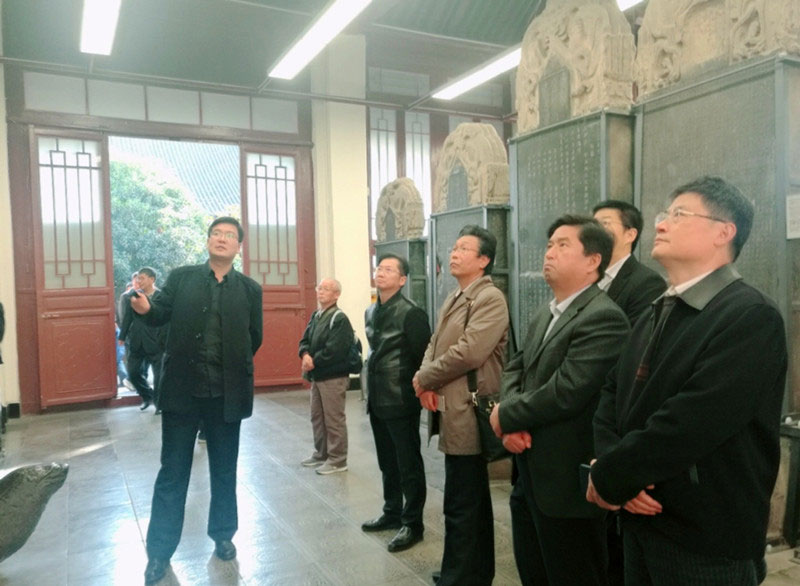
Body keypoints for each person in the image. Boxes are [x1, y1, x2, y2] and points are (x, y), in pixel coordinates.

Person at [586, 177, 788, 586]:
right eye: (665, 214)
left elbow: (693, 421)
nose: (661, 224)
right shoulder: (659, 310)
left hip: (703, 538)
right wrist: (614, 470)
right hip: (640, 520)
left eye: (678, 215)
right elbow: (612, 393)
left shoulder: (749, 316)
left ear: (723, 232)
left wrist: (613, 476)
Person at [489, 215, 629, 586]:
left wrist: (506, 414)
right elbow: (515, 368)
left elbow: (566, 391)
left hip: (566, 484)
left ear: (593, 261)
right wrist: (509, 422)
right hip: (529, 474)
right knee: (534, 572)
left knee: (573, 575)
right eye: (549, 244)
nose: (549, 252)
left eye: (563, 245)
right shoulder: (545, 313)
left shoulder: (603, 317)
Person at [131, 217, 263, 584]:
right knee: (172, 472)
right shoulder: (182, 278)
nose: (222, 239)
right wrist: (145, 310)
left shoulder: (250, 289)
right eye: (216, 233)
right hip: (182, 392)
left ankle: (223, 534)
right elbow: (159, 313)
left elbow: (254, 337)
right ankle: (159, 553)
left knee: (224, 469)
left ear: (238, 247)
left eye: (229, 235)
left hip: (226, 394)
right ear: (207, 241)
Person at [413, 225, 509, 586]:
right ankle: (467, 570)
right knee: (464, 497)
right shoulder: (456, 296)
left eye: (464, 249)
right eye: (454, 248)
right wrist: (424, 377)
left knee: (463, 501)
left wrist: (426, 377)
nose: (454, 253)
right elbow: (435, 343)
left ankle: (462, 576)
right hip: (452, 406)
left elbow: (469, 352)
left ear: (484, 260)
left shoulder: (489, 298)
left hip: (470, 408)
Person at [592, 200, 666, 585]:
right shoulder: (590, 278)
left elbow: (624, 362)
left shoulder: (645, 284)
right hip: (595, 423)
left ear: (631, 234)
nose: (596, 229)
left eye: (605, 223)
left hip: (618, 421)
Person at [362, 253, 431, 552]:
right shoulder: (370, 311)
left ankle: (412, 523)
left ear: (402, 280)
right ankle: (391, 512)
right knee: (387, 462)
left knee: (408, 464)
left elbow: (423, 357)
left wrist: (419, 389)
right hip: (377, 398)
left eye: (389, 269)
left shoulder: (411, 313)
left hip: (401, 398)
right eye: (379, 267)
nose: (381, 272)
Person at [298, 278, 353, 475]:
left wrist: (314, 361)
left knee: (333, 419)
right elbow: (304, 340)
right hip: (317, 376)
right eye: (319, 288)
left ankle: (338, 459)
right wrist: (305, 354)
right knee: (317, 417)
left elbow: (335, 349)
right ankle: (321, 454)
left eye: (326, 289)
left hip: (333, 377)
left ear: (336, 295)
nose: (321, 291)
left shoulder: (339, 319)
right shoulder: (316, 315)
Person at [592, 200, 666, 325]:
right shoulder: (585, 278)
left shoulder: (648, 283)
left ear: (630, 235)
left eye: (605, 223)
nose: (594, 231)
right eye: (593, 224)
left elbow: (637, 334)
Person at [119, 267, 166, 411]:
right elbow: (127, 318)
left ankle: (159, 403)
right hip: (136, 340)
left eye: (142, 278)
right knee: (132, 373)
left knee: (158, 375)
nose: (139, 281)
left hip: (156, 341)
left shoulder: (162, 296)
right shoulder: (133, 296)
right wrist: (122, 336)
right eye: (138, 278)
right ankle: (147, 396)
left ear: (152, 279)